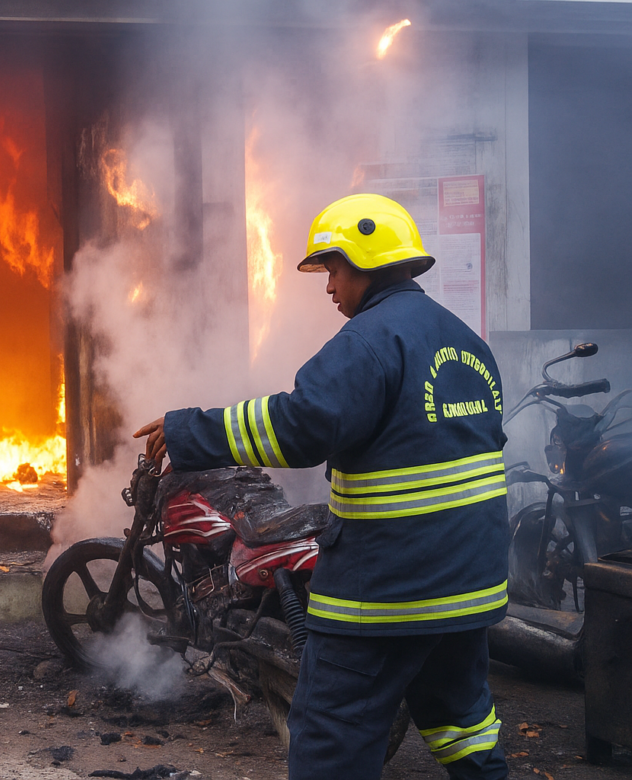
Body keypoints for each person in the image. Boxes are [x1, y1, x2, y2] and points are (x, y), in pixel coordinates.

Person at [135, 194, 509, 779]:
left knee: (331, 736)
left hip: (389, 590)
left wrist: (189, 430)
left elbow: (299, 428)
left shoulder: (368, 343)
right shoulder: (466, 343)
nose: (329, 286)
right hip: (467, 583)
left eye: (333, 268)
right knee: (463, 725)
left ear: (366, 261)